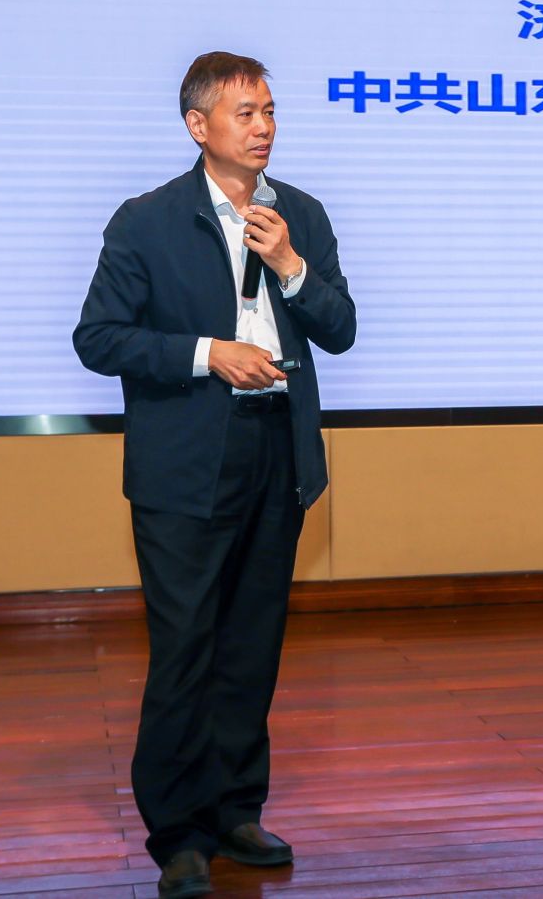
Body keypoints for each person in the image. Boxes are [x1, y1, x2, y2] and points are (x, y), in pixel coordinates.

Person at [74, 51, 356, 899]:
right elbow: (99, 338)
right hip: (186, 462)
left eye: (270, 110)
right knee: (185, 647)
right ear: (199, 126)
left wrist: (292, 267)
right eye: (245, 112)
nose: (263, 126)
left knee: (250, 644)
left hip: (278, 450)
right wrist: (208, 353)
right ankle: (179, 832)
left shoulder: (300, 213)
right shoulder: (147, 220)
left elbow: (341, 327)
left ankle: (237, 809)